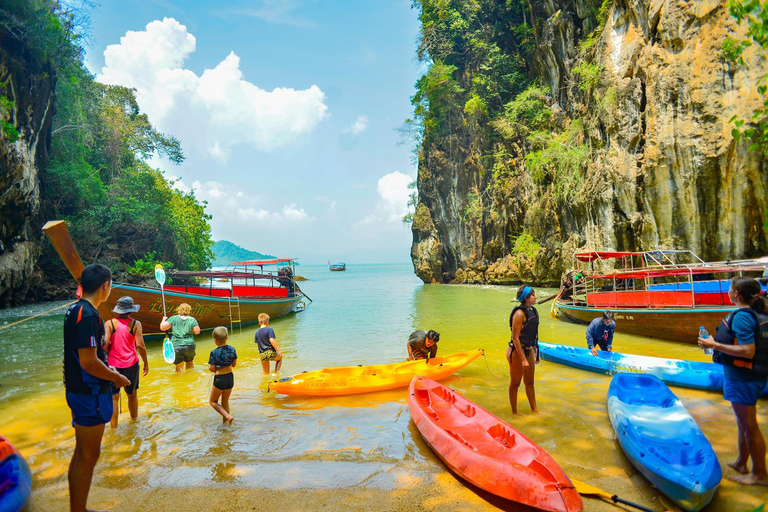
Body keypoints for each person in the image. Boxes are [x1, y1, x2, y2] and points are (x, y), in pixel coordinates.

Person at [63, 263, 131, 512]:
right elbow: (88, 361)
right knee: (88, 456)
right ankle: (78, 510)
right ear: (105, 286)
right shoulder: (89, 315)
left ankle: (77, 508)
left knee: (82, 454)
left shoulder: (76, 309)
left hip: (80, 389)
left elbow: (90, 357)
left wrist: (110, 370)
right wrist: (117, 378)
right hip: (88, 393)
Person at [699, 277, 768, 487]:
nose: (728, 291)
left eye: (730, 288)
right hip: (752, 376)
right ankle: (741, 462)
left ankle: (759, 474)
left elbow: (747, 351)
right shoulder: (759, 315)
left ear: (736, 293)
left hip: (743, 378)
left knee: (749, 426)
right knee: (743, 424)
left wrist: (714, 345)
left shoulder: (742, 317)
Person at [104, 296, 149, 428]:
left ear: (118, 310)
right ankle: (134, 424)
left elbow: (105, 344)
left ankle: (113, 429)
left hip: (113, 365)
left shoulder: (109, 323)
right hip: (131, 364)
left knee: (113, 397)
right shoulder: (136, 324)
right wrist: (146, 363)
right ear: (131, 310)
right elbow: (140, 346)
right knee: (132, 394)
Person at [507, 285, 539, 414]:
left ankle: (535, 410)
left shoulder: (533, 311)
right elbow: (515, 338)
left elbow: (531, 333)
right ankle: (514, 412)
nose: (535, 297)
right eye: (533, 295)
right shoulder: (519, 314)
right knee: (515, 383)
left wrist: (535, 350)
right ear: (526, 298)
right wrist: (523, 359)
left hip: (528, 349)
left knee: (530, 383)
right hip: (516, 351)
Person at [208, 326, 237, 425]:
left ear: (215, 341)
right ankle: (227, 424)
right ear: (227, 338)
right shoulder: (232, 349)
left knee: (213, 402)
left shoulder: (214, 352)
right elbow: (234, 364)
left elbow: (212, 368)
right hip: (230, 377)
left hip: (220, 379)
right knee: (225, 401)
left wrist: (212, 367)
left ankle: (228, 417)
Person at [160, 303, 201, 372]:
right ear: (189, 311)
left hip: (177, 345)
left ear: (178, 310)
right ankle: (191, 379)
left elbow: (162, 328)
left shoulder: (173, 318)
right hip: (189, 345)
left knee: (179, 366)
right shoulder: (192, 319)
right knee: (190, 362)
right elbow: (197, 332)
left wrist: (163, 320)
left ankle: (180, 380)